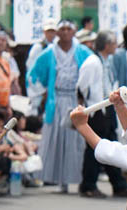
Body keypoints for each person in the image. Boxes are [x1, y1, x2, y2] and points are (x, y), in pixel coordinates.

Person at [28, 20, 93, 194]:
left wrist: (87, 93)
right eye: (61, 29)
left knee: (74, 140)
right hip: (55, 100)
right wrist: (42, 92)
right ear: (57, 33)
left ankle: (72, 178)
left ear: (73, 32)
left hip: (75, 99)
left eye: (68, 29)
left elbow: (94, 70)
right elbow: (34, 74)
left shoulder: (82, 52)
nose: (65, 32)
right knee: (55, 138)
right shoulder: (49, 52)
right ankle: (57, 179)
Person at [76, 30, 127, 198]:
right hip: (96, 109)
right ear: (106, 45)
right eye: (113, 43)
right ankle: (88, 185)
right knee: (94, 148)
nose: (115, 46)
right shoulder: (92, 62)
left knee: (110, 144)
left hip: (107, 107)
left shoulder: (107, 60)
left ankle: (118, 184)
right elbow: (81, 86)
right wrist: (89, 106)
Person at [0, 31, 20, 111]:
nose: (0, 42)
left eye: (3, 40)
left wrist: (9, 106)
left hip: (5, 105)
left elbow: (8, 85)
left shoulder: (6, 63)